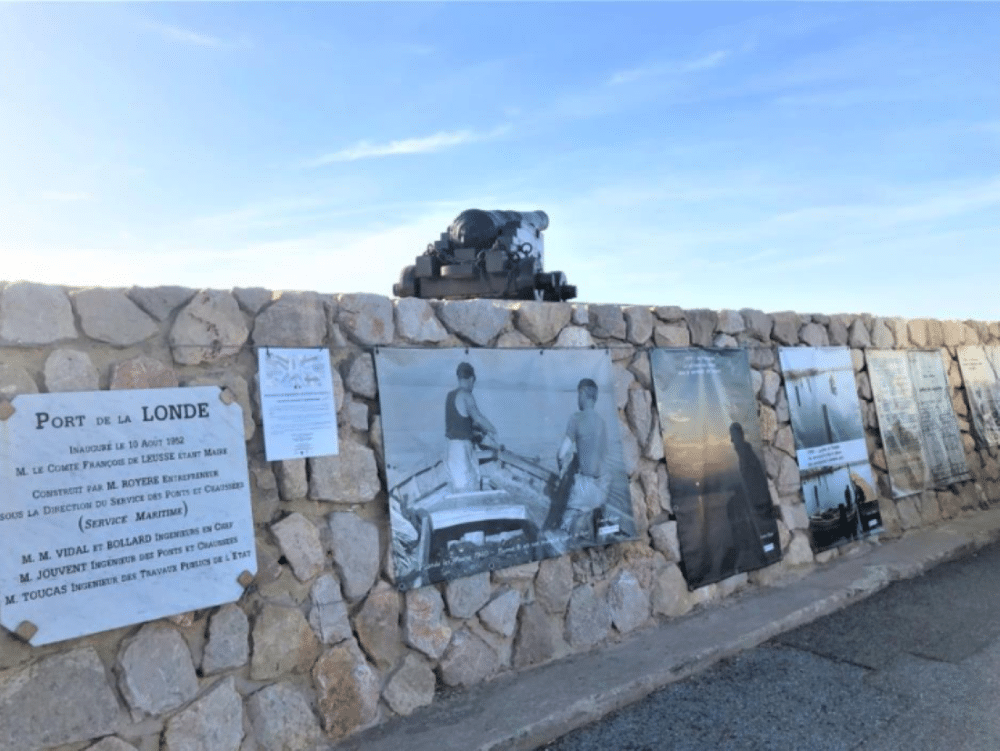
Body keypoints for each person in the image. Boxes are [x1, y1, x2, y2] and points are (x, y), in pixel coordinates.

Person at [557, 378, 609, 541]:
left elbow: (561, 454)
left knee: (563, 533)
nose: (577, 399)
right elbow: (601, 454)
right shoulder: (602, 422)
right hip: (603, 485)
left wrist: (562, 470)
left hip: (584, 487)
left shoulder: (576, 418)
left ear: (583, 394)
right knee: (597, 533)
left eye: (578, 395)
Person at [445, 362, 498, 492]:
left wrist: (478, 431)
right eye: (473, 382)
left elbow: (461, 422)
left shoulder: (450, 396)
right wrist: (493, 430)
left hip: (453, 448)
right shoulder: (466, 394)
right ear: (471, 379)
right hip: (462, 450)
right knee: (467, 487)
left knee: (464, 483)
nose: (473, 386)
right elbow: (478, 418)